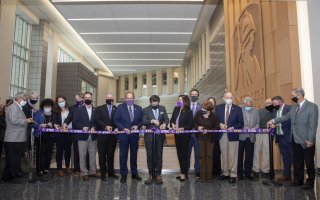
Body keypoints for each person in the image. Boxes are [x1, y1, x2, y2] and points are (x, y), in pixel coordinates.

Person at [268, 88, 319, 190]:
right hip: (294, 138)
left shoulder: (312, 107)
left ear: (299, 95)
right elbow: (286, 117)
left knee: (309, 162)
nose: (291, 98)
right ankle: (298, 180)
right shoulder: (294, 106)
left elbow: (313, 125)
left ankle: (310, 182)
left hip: (306, 139)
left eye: (292, 96)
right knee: (297, 161)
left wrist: (311, 139)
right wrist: (273, 120)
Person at [2, 92, 33, 182]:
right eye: (25, 99)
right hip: (13, 138)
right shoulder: (13, 107)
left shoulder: (18, 107)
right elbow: (14, 120)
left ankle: (13, 174)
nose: (25, 101)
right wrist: (26, 120)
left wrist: (26, 120)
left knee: (16, 158)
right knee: (13, 158)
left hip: (17, 138)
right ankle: (12, 176)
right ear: (19, 98)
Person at [215, 92, 244, 183]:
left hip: (233, 135)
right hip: (222, 135)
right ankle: (226, 173)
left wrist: (233, 128)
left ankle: (233, 174)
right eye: (227, 97)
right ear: (223, 98)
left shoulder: (238, 109)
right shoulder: (218, 108)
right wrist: (220, 124)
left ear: (233, 98)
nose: (229, 99)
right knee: (224, 155)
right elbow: (215, 120)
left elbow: (241, 123)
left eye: (230, 97)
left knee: (233, 155)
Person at [114, 91, 143, 183]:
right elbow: (116, 120)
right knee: (123, 155)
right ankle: (124, 174)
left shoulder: (139, 108)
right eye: (128, 98)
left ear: (134, 99)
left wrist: (137, 126)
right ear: (125, 99)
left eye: (131, 98)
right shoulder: (120, 108)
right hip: (123, 135)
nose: (130, 99)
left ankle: (134, 173)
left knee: (134, 155)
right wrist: (123, 128)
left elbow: (141, 121)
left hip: (134, 136)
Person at [142, 95, 169, 185]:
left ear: (159, 102)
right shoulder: (145, 110)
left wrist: (164, 124)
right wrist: (152, 121)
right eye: (153, 102)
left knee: (159, 155)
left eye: (156, 102)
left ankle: (158, 175)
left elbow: (166, 119)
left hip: (160, 136)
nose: (155, 103)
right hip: (149, 137)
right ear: (150, 102)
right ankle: (150, 174)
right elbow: (143, 121)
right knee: (150, 156)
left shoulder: (163, 108)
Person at [72, 92, 99, 181]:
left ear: (92, 98)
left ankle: (92, 171)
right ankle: (84, 172)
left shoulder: (95, 110)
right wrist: (82, 127)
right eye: (86, 97)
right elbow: (75, 122)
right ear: (83, 99)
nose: (88, 99)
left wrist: (94, 127)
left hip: (93, 136)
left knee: (92, 154)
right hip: (82, 136)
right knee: (82, 155)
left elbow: (97, 122)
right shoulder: (78, 110)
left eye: (89, 97)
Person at [194, 101, 220, 183]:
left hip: (210, 139)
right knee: (202, 157)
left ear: (209, 110)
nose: (202, 110)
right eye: (202, 108)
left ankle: (209, 177)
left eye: (204, 109)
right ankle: (202, 177)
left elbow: (217, 128)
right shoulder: (199, 113)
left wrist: (208, 130)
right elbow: (194, 123)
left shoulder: (214, 116)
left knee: (209, 156)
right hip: (200, 138)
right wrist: (198, 127)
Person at [96, 93, 119, 181]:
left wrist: (117, 127)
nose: (109, 99)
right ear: (105, 98)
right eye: (108, 97)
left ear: (113, 99)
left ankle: (111, 173)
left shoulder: (116, 109)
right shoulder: (100, 108)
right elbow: (97, 120)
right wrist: (105, 126)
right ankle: (103, 174)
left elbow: (118, 120)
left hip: (112, 137)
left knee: (110, 155)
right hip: (102, 136)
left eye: (111, 97)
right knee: (102, 155)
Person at [170, 95, 194, 181]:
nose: (178, 101)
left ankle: (184, 174)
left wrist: (183, 128)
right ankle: (182, 172)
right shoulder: (176, 109)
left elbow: (190, 125)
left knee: (184, 155)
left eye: (179, 100)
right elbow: (172, 120)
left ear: (185, 101)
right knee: (179, 155)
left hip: (185, 136)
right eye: (178, 100)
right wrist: (172, 124)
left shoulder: (189, 111)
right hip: (177, 135)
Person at [32, 98, 56, 181]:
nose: (47, 108)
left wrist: (53, 124)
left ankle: (46, 168)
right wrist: (40, 125)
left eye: (49, 106)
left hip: (50, 137)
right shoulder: (39, 113)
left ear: (52, 107)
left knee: (48, 153)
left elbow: (57, 123)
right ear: (43, 106)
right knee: (40, 153)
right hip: (40, 136)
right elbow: (33, 125)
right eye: (46, 106)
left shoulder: (54, 114)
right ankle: (39, 170)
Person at [271, 96, 292, 182]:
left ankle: (298, 176)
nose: (274, 105)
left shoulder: (289, 108)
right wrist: (273, 126)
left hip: (288, 136)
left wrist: (277, 124)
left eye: (275, 104)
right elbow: (274, 122)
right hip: (280, 137)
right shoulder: (275, 111)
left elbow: (289, 121)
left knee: (293, 157)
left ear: (280, 102)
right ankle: (287, 175)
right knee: (285, 157)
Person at [238, 96, 259, 180]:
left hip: (251, 136)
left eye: (249, 102)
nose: (248, 103)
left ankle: (248, 173)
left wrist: (255, 128)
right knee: (240, 155)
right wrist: (243, 127)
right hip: (241, 136)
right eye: (246, 102)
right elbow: (238, 121)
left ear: (251, 103)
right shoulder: (239, 110)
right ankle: (240, 173)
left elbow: (258, 122)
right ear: (244, 103)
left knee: (249, 156)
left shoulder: (255, 111)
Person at [63, 92, 84, 176]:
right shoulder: (72, 108)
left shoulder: (88, 107)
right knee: (77, 152)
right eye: (76, 99)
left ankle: (86, 169)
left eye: (79, 99)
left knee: (86, 152)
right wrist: (65, 123)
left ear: (83, 99)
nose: (77, 101)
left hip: (86, 133)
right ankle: (76, 169)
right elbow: (69, 118)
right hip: (76, 133)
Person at [53, 95, 73, 177]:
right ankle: (59, 169)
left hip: (69, 133)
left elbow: (72, 119)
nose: (61, 103)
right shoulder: (55, 111)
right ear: (57, 103)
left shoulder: (70, 110)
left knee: (68, 151)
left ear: (65, 101)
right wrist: (55, 124)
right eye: (59, 101)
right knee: (59, 151)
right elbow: (54, 120)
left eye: (62, 101)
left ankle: (67, 167)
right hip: (59, 134)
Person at [252, 98, 273, 178]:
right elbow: (256, 121)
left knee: (266, 152)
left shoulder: (274, 111)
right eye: (267, 104)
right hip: (258, 133)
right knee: (256, 151)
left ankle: (265, 170)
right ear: (265, 104)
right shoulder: (259, 111)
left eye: (270, 103)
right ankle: (255, 170)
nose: (268, 105)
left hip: (268, 134)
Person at [187, 89, 201, 178]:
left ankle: (197, 172)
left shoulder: (201, 106)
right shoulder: (186, 106)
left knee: (198, 154)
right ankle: (185, 171)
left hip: (197, 134)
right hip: (187, 134)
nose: (193, 96)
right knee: (187, 153)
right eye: (192, 95)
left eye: (195, 95)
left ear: (198, 96)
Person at [207, 97, 221, 176]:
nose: (211, 103)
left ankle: (217, 171)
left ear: (215, 103)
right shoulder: (205, 111)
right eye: (209, 101)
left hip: (216, 137)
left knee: (216, 154)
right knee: (209, 155)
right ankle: (210, 171)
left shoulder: (218, 111)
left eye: (212, 101)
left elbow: (219, 122)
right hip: (208, 137)